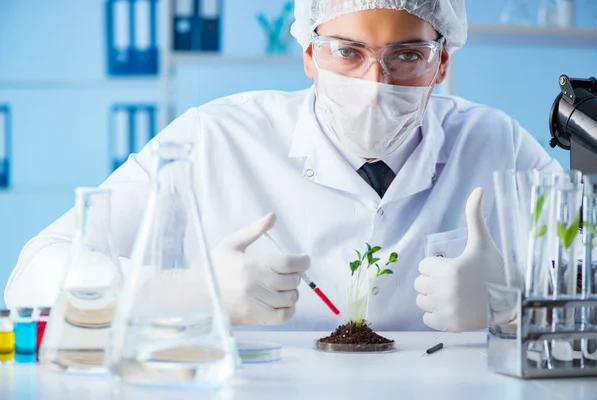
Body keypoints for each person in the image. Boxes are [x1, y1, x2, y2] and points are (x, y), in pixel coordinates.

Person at [4, 0, 562, 333]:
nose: (374, 85)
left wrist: (513, 302)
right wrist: (194, 289)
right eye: (347, 52)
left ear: (441, 61)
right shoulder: (216, 137)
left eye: (407, 56)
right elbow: (33, 277)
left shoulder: (496, 144)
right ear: (308, 56)